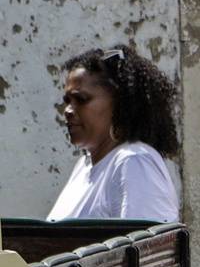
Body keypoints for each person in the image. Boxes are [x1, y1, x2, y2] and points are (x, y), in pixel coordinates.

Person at [46, 44, 181, 222]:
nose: (68, 110)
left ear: (120, 105)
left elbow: (147, 247)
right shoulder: (85, 165)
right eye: (67, 100)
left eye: (81, 99)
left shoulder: (133, 162)